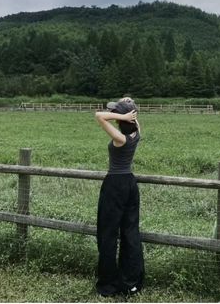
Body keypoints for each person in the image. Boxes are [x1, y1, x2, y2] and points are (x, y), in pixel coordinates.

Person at [94, 96, 144, 297]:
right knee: (130, 232)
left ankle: (108, 282)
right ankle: (131, 281)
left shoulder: (120, 138)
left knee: (108, 234)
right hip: (130, 185)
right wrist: (128, 109)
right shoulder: (136, 134)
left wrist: (121, 113)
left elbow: (99, 116)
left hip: (115, 184)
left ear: (123, 118)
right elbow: (134, 120)